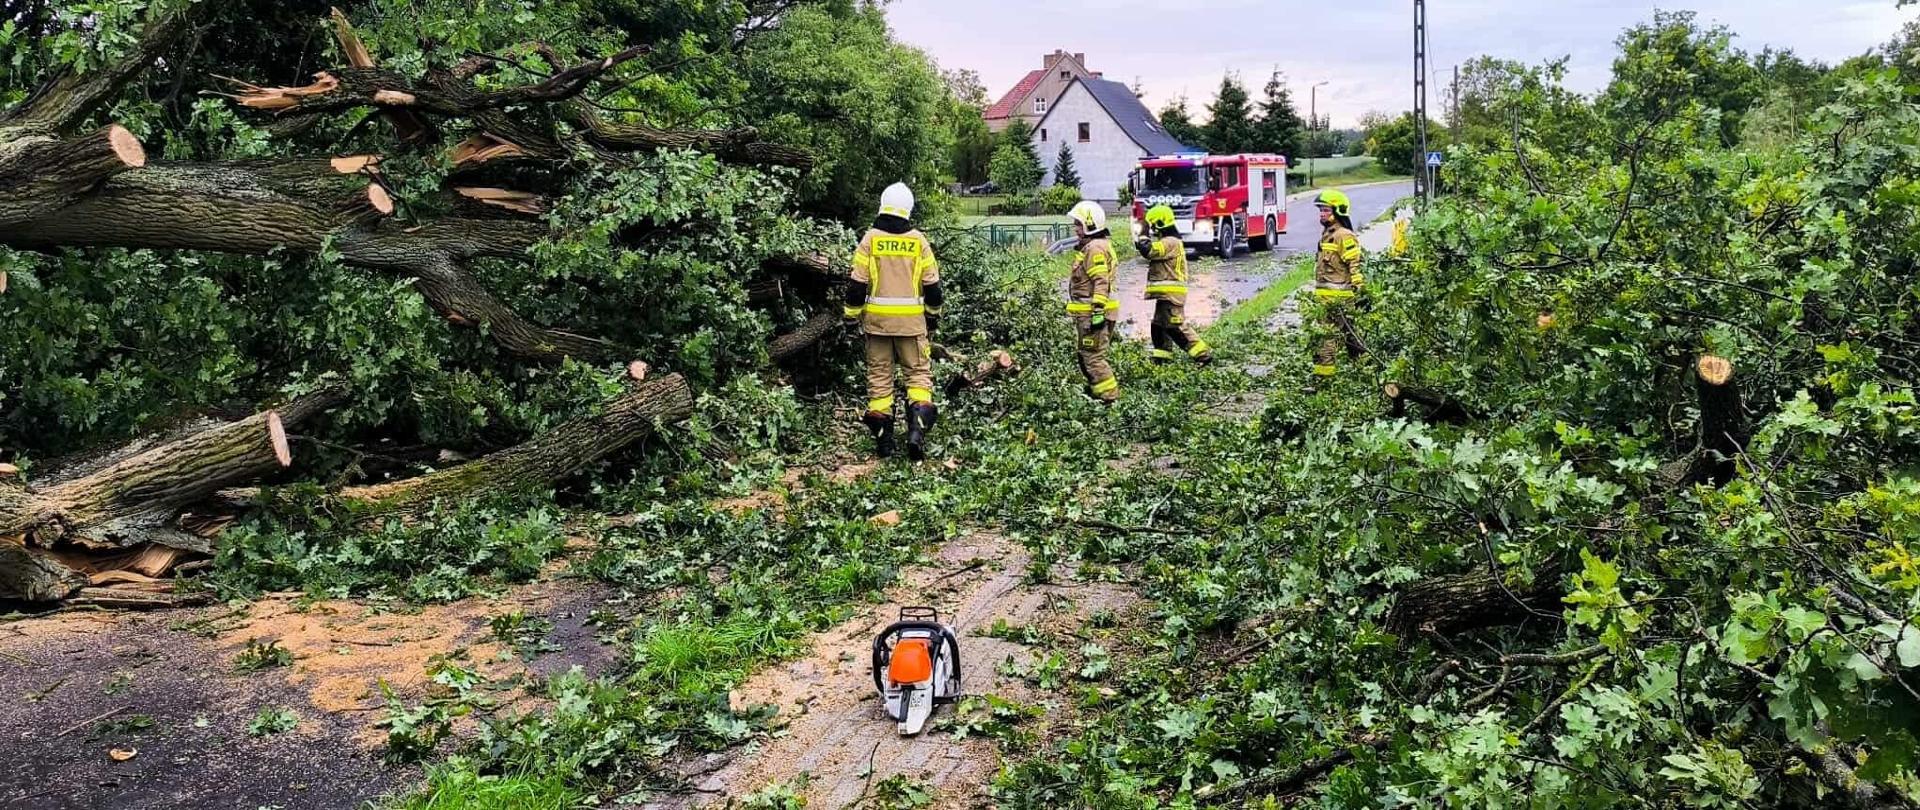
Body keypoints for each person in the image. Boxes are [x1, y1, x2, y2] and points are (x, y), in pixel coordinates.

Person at [844, 183, 943, 459]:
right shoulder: (918, 242)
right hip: (912, 326)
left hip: (877, 325)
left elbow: (856, 287)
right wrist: (932, 318)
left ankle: (884, 443)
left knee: (879, 380)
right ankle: (916, 433)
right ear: (908, 209)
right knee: (918, 376)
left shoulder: (870, 240)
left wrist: (851, 319)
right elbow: (934, 289)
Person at [1133, 204, 1212, 365]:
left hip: (1171, 295)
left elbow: (1148, 251)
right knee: (1158, 327)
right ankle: (1162, 359)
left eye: (1153, 225)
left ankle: (1202, 356)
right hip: (1165, 296)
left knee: (1175, 327)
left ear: (1160, 223)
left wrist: (1143, 233)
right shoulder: (1169, 241)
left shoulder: (1170, 242)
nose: (1153, 229)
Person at [1066, 200, 1120, 402]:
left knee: (1093, 357)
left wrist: (1097, 310)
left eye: (1078, 224)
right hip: (1089, 314)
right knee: (1087, 355)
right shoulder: (1094, 246)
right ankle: (1098, 394)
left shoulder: (1095, 248)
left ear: (1090, 224)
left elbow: (1101, 280)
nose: (1075, 228)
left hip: (1093, 314)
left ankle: (1109, 398)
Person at [1310, 189, 1366, 380]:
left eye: (1325, 210)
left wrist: (1359, 288)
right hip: (1327, 299)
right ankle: (1363, 370)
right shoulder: (1327, 235)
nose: (1322, 213)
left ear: (1338, 210)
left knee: (1326, 338)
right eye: (1321, 210)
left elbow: (1355, 264)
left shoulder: (1344, 236)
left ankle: (1324, 379)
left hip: (1338, 300)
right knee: (1350, 336)